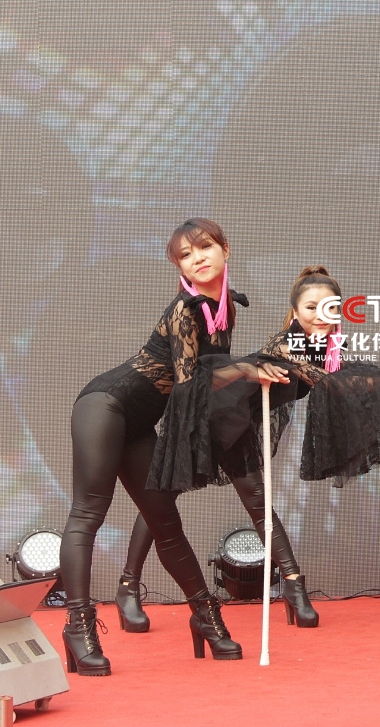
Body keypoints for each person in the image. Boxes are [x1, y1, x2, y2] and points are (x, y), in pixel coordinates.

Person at [115, 266, 380, 629]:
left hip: (238, 421)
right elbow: (329, 383)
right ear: (295, 312)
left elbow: (351, 374)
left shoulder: (327, 348)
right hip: (211, 414)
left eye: (329, 308)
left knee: (251, 501)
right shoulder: (288, 344)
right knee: (162, 496)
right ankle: (128, 586)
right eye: (311, 308)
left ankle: (294, 586)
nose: (320, 316)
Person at [59, 218, 268, 675]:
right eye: (186, 256)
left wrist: (253, 372)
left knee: (166, 523)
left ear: (226, 249)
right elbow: (192, 381)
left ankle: (205, 617)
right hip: (105, 405)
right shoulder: (185, 309)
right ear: (180, 268)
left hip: (138, 424)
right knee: (88, 514)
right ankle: (78, 627)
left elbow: (211, 376)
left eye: (205, 248)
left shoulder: (224, 308)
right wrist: (248, 370)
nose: (198, 259)